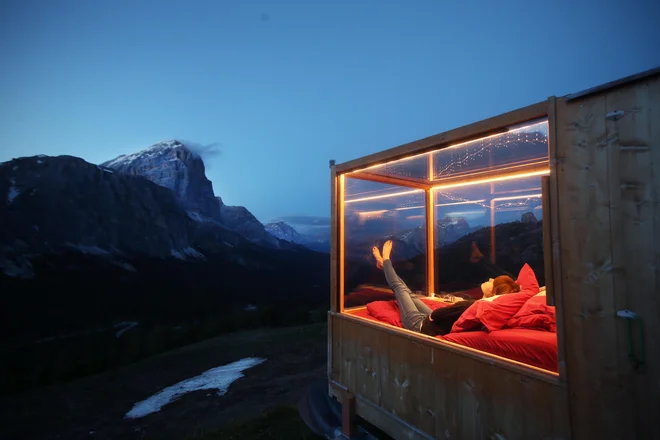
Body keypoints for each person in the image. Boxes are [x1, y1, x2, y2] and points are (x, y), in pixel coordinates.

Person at [371, 240, 520, 336]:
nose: (490, 279)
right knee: (409, 293)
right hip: (435, 323)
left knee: (399, 288)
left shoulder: (475, 306)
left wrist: (437, 313)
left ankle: (386, 260)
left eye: (493, 282)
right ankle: (385, 265)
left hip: (420, 325)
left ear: (492, 292)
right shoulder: (482, 307)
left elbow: (437, 315)